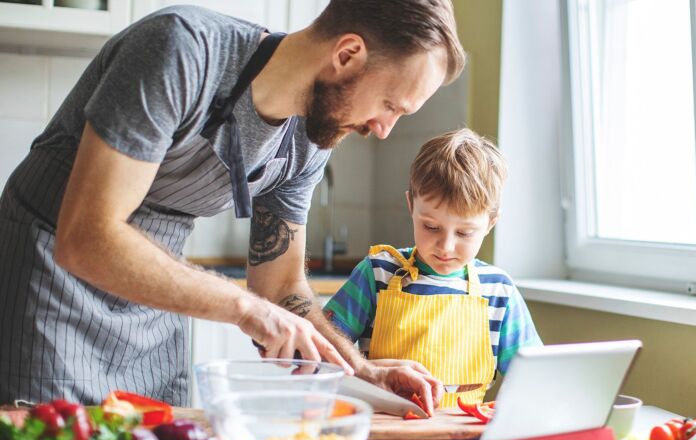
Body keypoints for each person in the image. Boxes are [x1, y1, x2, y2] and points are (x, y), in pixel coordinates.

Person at [0, 0, 465, 409]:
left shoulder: (311, 137)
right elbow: (85, 237)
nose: (384, 128)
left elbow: (280, 285)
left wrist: (366, 372)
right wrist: (245, 309)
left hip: (152, 308)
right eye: (391, 104)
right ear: (347, 55)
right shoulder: (182, 49)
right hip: (48, 288)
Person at [322, 129, 543, 409]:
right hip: (386, 431)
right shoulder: (377, 273)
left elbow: (533, 380)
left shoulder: (499, 291)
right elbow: (322, 351)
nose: (446, 247)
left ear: (490, 223)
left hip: (462, 438)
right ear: (411, 205)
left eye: (464, 233)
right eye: (431, 227)